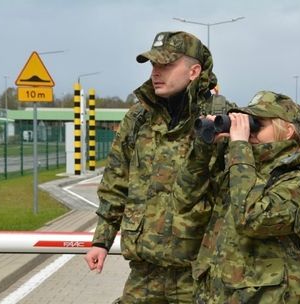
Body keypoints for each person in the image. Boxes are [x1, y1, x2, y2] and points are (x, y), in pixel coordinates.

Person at [84, 31, 233, 303]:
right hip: (145, 271)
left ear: (194, 71)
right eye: (154, 65)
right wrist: (101, 240)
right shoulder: (138, 117)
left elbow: (238, 190)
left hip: (198, 272)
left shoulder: (220, 119)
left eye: (166, 65)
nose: (156, 72)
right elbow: (116, 182)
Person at [174, 91, 300, 303]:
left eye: (257, 123)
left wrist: (240, 147)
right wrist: (204, 147)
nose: (249, 130)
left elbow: (251, 219)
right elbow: (184, 198)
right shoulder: (238, 168)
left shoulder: (296, 180)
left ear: (287, 131)